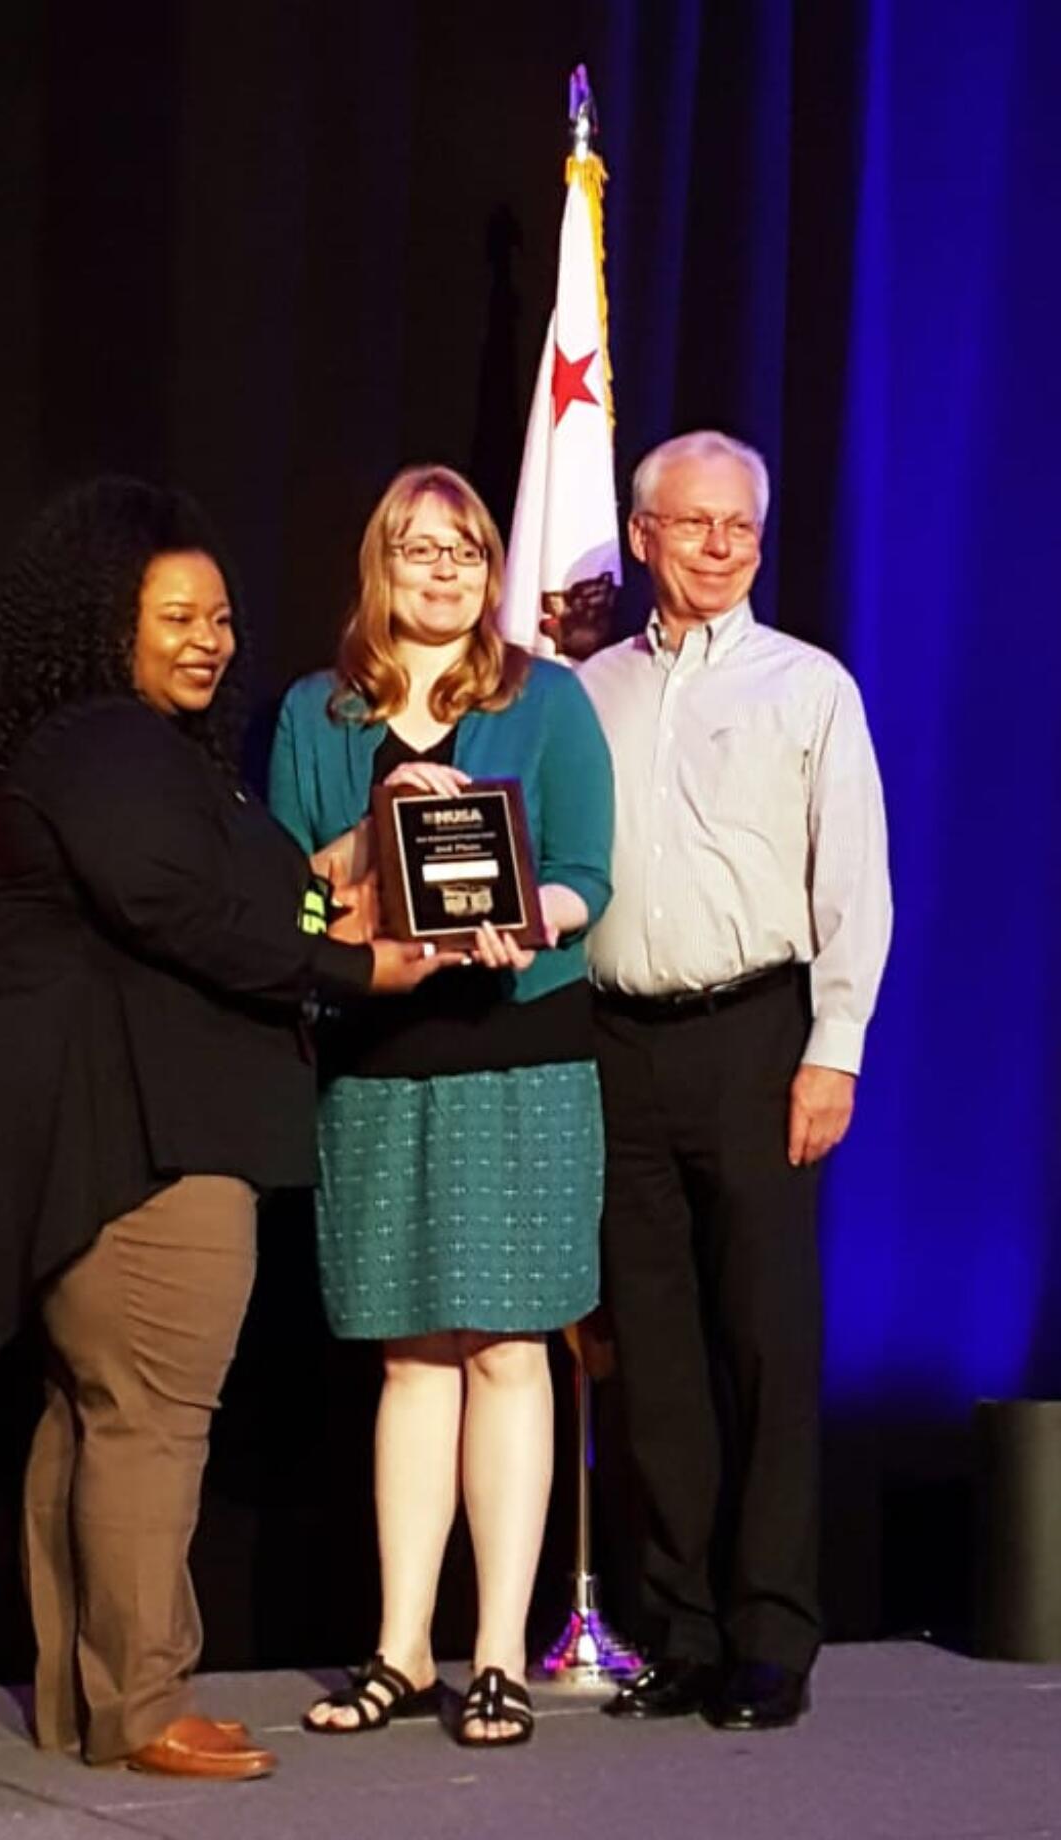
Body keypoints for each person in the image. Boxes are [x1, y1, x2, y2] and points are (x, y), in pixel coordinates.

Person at [0, 477, 449, 1780]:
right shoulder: (107, 750)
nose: (209, 639)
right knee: (150, 1416)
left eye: (221, 618)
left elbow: (248, 901)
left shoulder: (137, 761)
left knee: (95, 1414)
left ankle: (82, 1699)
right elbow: (181, 912)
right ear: (105, 624)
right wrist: (364, 970)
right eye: (175, 616)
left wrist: (338, 906)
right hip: (139, 1136)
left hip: (115, 1132)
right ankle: (143, 1705)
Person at [269, 464, 613, 1746]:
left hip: (520, 1052)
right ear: (381, 564)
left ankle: (498, 1653)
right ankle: (400, 1646)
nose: (443, 568)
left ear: (486, 567)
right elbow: (291, 895)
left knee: (510, 1347)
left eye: (463, 548)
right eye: (417, 549)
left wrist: (527, 925)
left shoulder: (551, 701)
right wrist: (366, 842)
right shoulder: (317, 711)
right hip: (380, 1058)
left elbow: (586, 874)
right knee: (410, 1353)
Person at [579, 430, 891, 1732]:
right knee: (649, 1356)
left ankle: (771, 1635)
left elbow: (853, 883)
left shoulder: (806, 687)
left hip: (757, 1039)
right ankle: (684, 1631)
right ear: (642, 535)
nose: (717, 548)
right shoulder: (581, 688)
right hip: (611, 1044)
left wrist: (834, 1048)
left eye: (740, 529)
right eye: (693, 525)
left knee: (762, 1341)